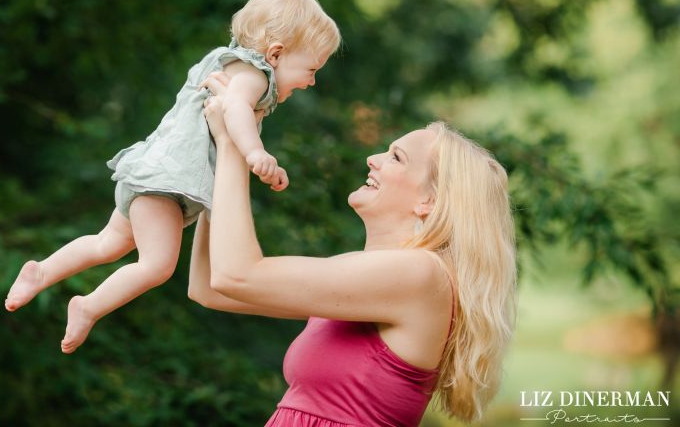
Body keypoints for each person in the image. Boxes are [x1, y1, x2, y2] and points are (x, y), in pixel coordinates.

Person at [4, 0, 341, 354]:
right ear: (275, 53)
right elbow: (232, 109)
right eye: (311, 69)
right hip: (167, 184)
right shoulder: (255, 76)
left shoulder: (224, 61)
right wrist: (255, 152)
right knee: (156, 266)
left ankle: (42, 271)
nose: (311, 82)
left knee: (108, 242)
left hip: (150, 171)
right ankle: (88, 306)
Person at [188, 72, 517, 425]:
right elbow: (208, 286)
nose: (373, 158)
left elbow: (236, 275)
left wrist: (231, 145)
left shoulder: (420, 273)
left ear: (429, 200)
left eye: (396, 157)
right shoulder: (364, 276)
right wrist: (223, 153)